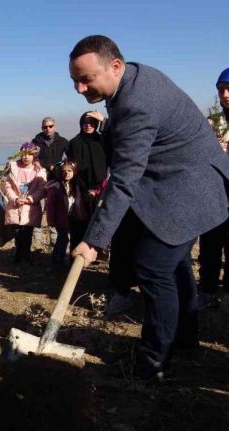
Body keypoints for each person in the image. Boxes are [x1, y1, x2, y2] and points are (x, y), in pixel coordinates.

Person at [68, 35, 229, 380]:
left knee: (153, 265)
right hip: (175, 183)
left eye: (86, 79)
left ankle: (155, 358)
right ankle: (185, 342)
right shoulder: (132, 78)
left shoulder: (137, 102)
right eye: (74, 80)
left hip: (191, 186)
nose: (79, 88)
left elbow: (125, 178)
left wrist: (94, 240)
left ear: (114, 66)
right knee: (175, 266)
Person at [197, 68, 229, 309]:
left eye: (228, 89)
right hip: (212, 195)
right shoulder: (212, 123)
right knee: (210, 246)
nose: (225, 95)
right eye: (221, 90)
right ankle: (207, 290)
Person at [3, 142, 47, 264]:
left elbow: (42, 189)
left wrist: (31, 199)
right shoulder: (13, 168)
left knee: (27, 232)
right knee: (17, 231)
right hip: (15, 205)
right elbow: (7, 186)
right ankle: (18, 253)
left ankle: (26, 254)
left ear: (34, 156)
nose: (26, 157)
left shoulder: (40, 171)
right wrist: (15, 198)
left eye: (29, 154)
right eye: (23, 154)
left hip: (30, 207)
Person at [45, 160, 90, 266]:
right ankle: (57, 260)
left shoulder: (78, 186)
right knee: (63, 238)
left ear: (74, 171)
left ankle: (72, 260)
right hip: (61, 217)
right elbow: (50, 205)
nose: (66, 173)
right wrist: (50, 219)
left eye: (69, 170)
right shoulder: (55, 186)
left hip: (75, 217)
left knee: (74, 238)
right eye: (64, 171)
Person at [66, 111, 108, 197]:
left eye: (91, 122)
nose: (88, 125)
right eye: (85, 122)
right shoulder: (74, 143)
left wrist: (103, 121)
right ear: (81, 124)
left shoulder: (102, 140)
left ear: (96, 124)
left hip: (101, 187)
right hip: (80, 187)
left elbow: (115, 133)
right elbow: (70, 163)